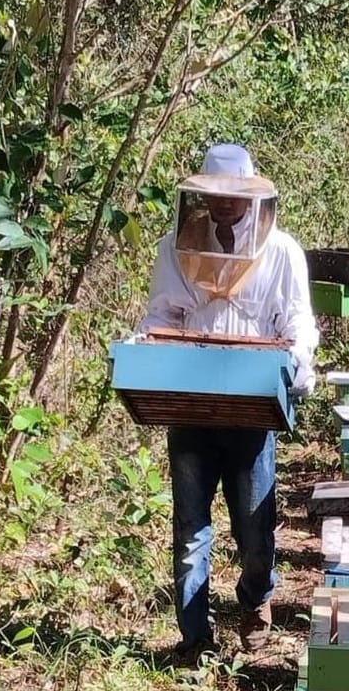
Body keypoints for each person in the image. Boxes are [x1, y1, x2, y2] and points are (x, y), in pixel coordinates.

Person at [135, 143, 318, 660]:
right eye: (214, 195)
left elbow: (298, 320)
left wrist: (298, 356)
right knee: (190, 527)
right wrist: (146, 344)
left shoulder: (281, 251)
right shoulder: (176, 246)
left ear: (251, 197)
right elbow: (162, 313)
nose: (223, 204)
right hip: (190, 403)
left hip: (249, 408)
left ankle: (256, 601)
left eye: (233, 196)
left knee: (253, 529)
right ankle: (195, 639)